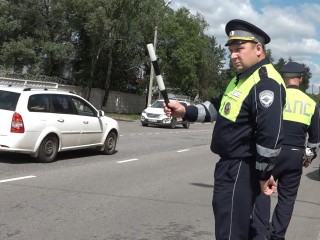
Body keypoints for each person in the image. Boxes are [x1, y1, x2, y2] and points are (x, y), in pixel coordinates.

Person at [163, 19, 286, 240]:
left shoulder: (265, 83)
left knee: (230, 231)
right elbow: (216, 107)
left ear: (258, 49)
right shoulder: (239, 80)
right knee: (232, 225)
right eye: (231, 50)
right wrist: (185, 111)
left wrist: (263, 174)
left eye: (239, 49)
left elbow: (270, 135)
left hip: (241, 167)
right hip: (231, 166)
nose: (233, 55)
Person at [250, 62, 320, 240]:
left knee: (262, 190)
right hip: (295, 154)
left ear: (283, 77)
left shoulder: (276, 96)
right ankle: (277, 235)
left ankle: (261, 233)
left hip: (271, 151)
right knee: (287, 199)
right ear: (301, 79)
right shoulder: (311, 104)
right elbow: (314, 140)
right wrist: (308, 159)